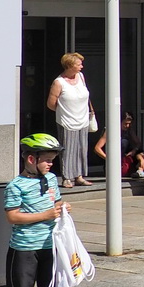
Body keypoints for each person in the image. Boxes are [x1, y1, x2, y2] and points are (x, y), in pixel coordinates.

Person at [0, 134, 73, 287]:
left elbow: (55, 203)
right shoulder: (15, 186)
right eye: (47, 159)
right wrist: (45, 215)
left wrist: (63, 208)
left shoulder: (50, 180)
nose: (51, 164)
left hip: (50, 244)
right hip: (25, 248)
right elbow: (13, 216)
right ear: (31, 159)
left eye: (52, 160)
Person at [45, 52, 95, 189]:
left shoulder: (81, 77)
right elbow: (51, 103)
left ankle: (79, 176)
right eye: (79, 64)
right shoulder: (59, 82)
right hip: (67, 120)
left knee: (81, 147)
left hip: (83, 119)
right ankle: (67, 177)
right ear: (70, 65)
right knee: (68, 149)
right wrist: (64, 111)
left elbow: (86, 95)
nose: (82, 66)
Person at [92, 110, 144, 180]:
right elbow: (97, 148)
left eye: (129, 124)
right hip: (114, 162)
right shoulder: (110, 130)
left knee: (143, 155)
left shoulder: (129, 130)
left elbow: (138, 143)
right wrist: (109, 159)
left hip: (125, 159)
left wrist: (134, 150)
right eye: (125, 123)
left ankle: (141, 170)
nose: (127, 126)